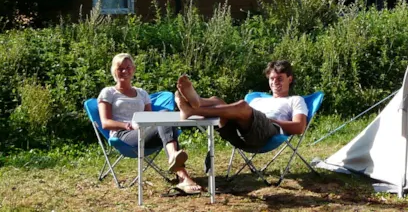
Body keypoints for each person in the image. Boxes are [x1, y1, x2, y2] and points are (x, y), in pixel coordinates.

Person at [98, 53, 202, 194]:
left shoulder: (142, 93)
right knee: (165, 119)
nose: (124, 71)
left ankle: (175, 161)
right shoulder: (108, 92)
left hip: (145, 131)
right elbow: (105, 123)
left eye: (128, 67)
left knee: (165, 116)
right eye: (120, 68)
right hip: (124, 134)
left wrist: (144, 124)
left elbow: (150, 117)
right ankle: (182, 175)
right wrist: (127, 125)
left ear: (133, 69)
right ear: (114, 71)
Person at [175, 60, 308, 150]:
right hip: (237, 133)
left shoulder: (295, 100)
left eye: (280, 79)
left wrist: (271, 120)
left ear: (289, 79)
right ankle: (197, 101)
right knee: (217, 101)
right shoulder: (258, 99)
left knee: (243, 106)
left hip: (265, 134)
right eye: (272, 79)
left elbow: (299, 127)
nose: (275, 82)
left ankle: (193, 110)